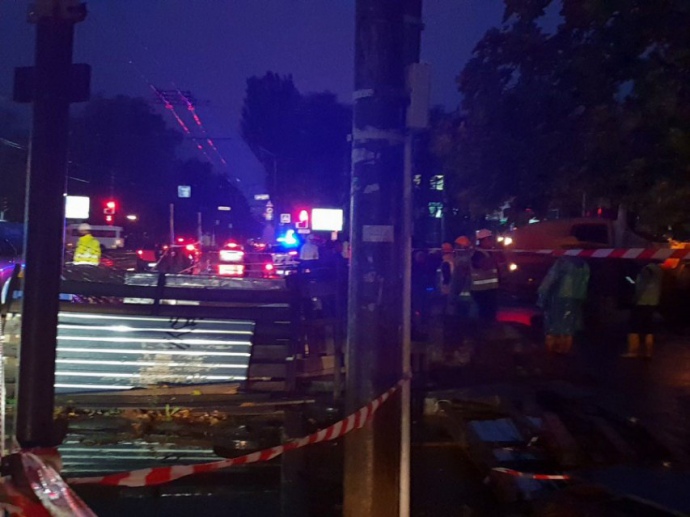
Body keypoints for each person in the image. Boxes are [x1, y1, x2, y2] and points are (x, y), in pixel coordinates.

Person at [537, 256, 590, 354]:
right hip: (576, 298)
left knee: (552, 327)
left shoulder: (562, 262)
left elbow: (549, 280)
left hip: (559, 297)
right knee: (568, 328)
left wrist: (542, 297)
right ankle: (564, 350)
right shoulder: (584, 264)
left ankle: (552, 351)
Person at [622, 261, 663, 359]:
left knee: (634, 327)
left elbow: (641, 287)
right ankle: (649, 352)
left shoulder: (646, 270)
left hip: (642, 302)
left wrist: (634, 299)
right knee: (648, 328)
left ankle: (633, 351)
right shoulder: (659, 270)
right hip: (653, 302)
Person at [469, 229, 500, 322]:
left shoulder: (488, 252)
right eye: (490, 239)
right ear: (484, 240)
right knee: (484, 316)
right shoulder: (478, 254)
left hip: (490, 290)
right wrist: (495, 256)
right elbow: (485, 266)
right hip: (481, 291)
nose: (492, 241)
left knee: (491, 314)